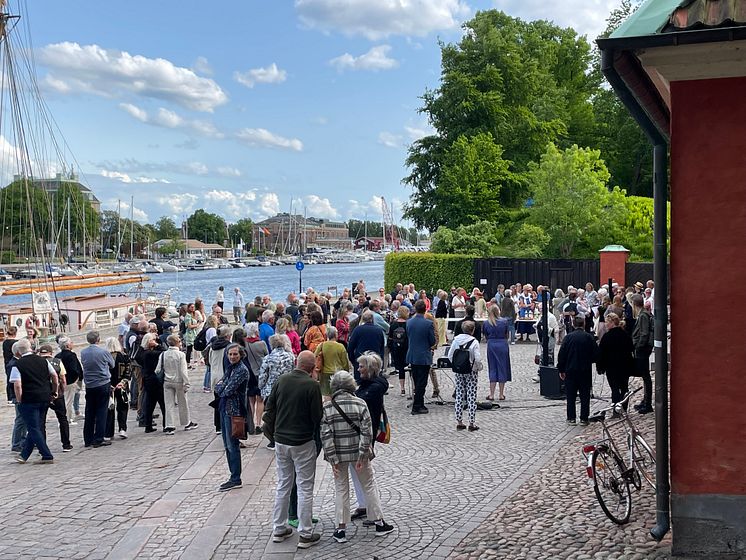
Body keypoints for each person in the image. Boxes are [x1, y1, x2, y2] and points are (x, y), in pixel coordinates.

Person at [322, 370, 395, 544]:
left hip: (339, 455)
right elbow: (366, 432)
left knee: (341, 489)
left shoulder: (328, 408)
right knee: (368, 485)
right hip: (358, 454)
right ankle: (379, 523)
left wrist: (332, 459)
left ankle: (340, 529)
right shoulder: (360, 403)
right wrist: (362, 455)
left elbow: (326, 435)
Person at [263, 351, 323, 549]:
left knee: (283, 484)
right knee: (305, 487)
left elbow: (270, 407)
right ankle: (305, 533)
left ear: (297, 363)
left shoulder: (282, 380)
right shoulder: (312, 385)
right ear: (312, 367)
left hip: (281, 440)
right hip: (302, 441)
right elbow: (317, 416)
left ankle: (279, 528)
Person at [9, 338, 58, 464]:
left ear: (18, 352)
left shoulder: (18, 365)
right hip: (45, 397)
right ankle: (24, 455)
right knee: (37, 426)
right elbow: (54, 376)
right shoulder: (43, 361)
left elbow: (17, 385)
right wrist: (54, 390)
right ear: (31, 347)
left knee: (33, 428)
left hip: (29, 399)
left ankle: (47, 455)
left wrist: (19, 400)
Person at [215, 343, 249, 491]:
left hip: (234, 411)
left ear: (240, 355)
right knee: (227, 445)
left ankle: (236, 477)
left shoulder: (241, 370)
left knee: (232, 445)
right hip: (224, 409)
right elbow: (218, 386)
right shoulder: (230, 369)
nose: (232, 357)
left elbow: (226, 390)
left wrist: (222, 386)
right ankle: (232, 475)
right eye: (230, 354)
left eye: (235, 354)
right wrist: (222, 386)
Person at [557, 316, 599, 426]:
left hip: (570, 370)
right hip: (585, 370)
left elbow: (562, 355)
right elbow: (596, 354)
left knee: (571, 395)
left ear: (573, 324)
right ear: (583, 324)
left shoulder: (568, 338)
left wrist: (561, 369)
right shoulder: (589, 337)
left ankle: (571, 417)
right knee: (585, 395)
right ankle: (584, 418)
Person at [258, 335, 296, 447]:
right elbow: (294, 371)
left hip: (271, 391)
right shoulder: (290, 357)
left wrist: (261, 388)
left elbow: (263, 376)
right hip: (288, 389)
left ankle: (274, 439)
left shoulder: (268, 358)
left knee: (272, 416)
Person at [80, 330, 115, 447]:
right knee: (101, 411)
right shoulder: (103, 351)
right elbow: (112, 364)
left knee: (89, 411)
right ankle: (99, 438)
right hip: (102, 383)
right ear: (98, 339)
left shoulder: (83, 352)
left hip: (89, 385)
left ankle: (88, 438)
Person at [448, 321, 483, 431]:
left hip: (459, 371)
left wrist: (456, 365)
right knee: (471, 396)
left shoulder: (456, 340)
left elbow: (450, 355)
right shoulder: (474, 342)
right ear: (472, 330)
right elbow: (477, 358)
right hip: (471, 371)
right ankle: (471, 423)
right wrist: (478, 367)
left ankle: (459, 421)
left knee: (459, 394)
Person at [38, 343, 72, 452]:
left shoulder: (37, 362)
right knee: (62, 419)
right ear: (51, 353)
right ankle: (66, 444)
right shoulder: (57, 362)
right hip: (57, 394)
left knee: (41, 421)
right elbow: (63, 379)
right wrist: (61, 390)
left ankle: (42, 446)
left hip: (42, 394)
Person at [161, 333, 198, 434]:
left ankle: (170, 425)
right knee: (183, 403)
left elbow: (158, 369)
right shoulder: (181, 355)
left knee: (168, 404)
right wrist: (187, 383)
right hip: (179, 381)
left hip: (167, 381)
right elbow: (183, 371)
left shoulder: (163, 354)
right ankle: (186, 422)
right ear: (177, 342)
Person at [597, 313, 634, 410]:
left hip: (611, 367)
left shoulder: (607, 337)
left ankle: (616, 408)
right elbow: (631, 348)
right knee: (624, 387)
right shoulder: (625, 334)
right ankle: (624, 407)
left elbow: (601, 353)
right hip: (624, 366)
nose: (605, 324)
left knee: (614, 387)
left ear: (612, 322)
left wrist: (600, 367)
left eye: (607, 322)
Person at [406, 299, 436, 415]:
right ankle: (417, 406)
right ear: (425, 309)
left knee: (416, 380)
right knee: (421, 383)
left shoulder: (409, 322)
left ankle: (420, 403)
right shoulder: (428, 324)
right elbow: (432, 341)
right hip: (423, 356)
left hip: (413, 355)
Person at [137, 333, 166, 433]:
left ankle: (148, 425)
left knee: (150, 404)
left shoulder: (142, 352)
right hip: (155, 380)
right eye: (154, 340)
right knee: (162, 403)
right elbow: (164, 352)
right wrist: (157, 345)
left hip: (147, 379)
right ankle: (166, 424)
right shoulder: (149, 353)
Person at [243, 322, 268, 435]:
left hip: (249, 374)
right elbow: (267, 356)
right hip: (260, 373)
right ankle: (258, 423)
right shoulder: (261, 343)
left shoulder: (244, 344)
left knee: (251, 400)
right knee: (260, 400)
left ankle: (251, 423)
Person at [631, 294, 654, 414]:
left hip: (643, 349)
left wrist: (639, 346)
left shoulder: (643, 315)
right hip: (643, 348)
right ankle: (645, 401)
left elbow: (644, 333)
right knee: (645, 376)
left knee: (645, 376)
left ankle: (647, 403)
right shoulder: (643, 314)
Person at [483, 304, 511, 401]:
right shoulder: (504, 322)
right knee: (502, 367)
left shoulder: (486, 323)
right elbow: (507, 334)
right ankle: (501, 394)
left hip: (492, 344)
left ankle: (491, 394)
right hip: (502, 344)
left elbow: (485, 335)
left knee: (493, 367)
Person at [104, 337, 130, 440]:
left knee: (110, 408)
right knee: (123, 407)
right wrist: (122, 382)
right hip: (121, 386)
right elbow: (128, 371)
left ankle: (109, 433)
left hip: (109, 386)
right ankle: (122, 428)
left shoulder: (105, 357)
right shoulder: (123, 356)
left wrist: (109, 384)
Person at [314, 326, 351, 401]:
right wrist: (347, 372)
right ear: (336, 334)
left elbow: (315, 355)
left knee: (326, 394)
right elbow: (345, 363)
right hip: (337, 374)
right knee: (337, 394)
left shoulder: (322, 345)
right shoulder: (340, 347)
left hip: (324, 373)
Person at [347, 310, 385, 382]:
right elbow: (381, 348)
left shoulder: (358, 330)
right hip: (374, 361)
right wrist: (381, 362)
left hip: (361, 361)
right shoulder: (379, 330)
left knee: (360, 384)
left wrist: (353, 360)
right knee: (374, 383)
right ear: (372, 319)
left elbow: (350, 347)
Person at [56, 336, 84, 424]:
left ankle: (65, 418)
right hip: (71, 381)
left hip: (61, 380)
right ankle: (67, 419)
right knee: (68, 401)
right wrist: (77, 379)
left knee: (64, 400)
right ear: (67, 345)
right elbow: (74, 369)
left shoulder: (57, 356)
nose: (73, 344)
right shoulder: (71, 355)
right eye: (71, 342)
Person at [388, 306, 410, 395]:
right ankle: (414, 388)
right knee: (411, 368)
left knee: (401, 369)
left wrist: (391, 349)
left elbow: (390, 338)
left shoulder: (393, 324)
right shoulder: (408, 324)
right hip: (407, 349)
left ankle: (402, 388)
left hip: (396, 349)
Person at [3, 325, 18, 404]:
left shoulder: (5, 342)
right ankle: (15, 396)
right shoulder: (16, 342)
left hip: (6, 362)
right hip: (14, 362)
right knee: (16, 379)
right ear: (15, 333)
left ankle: (9, 398)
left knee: (9, 380)